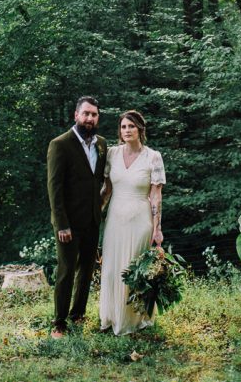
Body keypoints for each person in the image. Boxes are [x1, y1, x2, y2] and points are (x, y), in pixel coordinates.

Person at [99, 110, 166, 336]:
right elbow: (106, 190)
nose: (126, 131)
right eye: (123, 127)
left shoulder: (153, 157)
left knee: (134, 270)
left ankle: (135, 319)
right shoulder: (111, 154)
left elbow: (156, 195)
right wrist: (93, 213)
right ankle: (111, 317)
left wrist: (157, 229)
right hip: (115, 218)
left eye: (131, 127)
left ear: (140, 130)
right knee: (111, 269)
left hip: (140, 219)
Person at [47, 95, 108, 339]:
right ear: (76, 115)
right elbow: (54, 188)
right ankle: (59, 323)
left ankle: (78, 315)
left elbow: (100, 181)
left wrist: (101, 207)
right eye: (86, 114)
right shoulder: (60, 144)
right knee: (66, 271)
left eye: (94, 115)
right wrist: (61, 223)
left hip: (93, 220)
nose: (90, 118)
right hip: (68, 224)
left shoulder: (102, 144)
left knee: (87, 270)